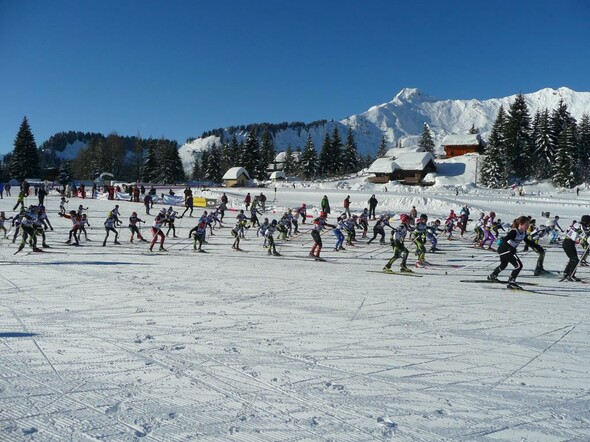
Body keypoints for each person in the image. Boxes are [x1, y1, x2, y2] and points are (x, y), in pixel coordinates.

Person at [487, 216, 532, 289]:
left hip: (507, 250)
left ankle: (492, 276)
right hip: (505, 249)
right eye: (526, 224)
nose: (528, 226)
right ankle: (511, 282)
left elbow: (527, 241)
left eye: (528, 224)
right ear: (520, 224)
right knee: (518, 266)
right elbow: (505, 240)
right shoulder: (514, 232)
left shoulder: (523, 232)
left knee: (503, 265)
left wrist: (534, 247)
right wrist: (510, 248)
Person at [560, 215, 589, 281]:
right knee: (575, 260)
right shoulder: (581, 227)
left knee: (572, 259)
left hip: (566, 242)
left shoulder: (576, 224)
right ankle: (571, 275)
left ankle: (566, 273)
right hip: (569, 243)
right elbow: (584, 235)